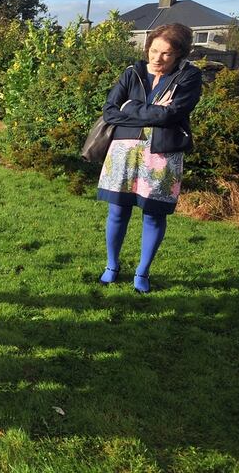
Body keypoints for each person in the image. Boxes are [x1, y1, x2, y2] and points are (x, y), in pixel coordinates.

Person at [97, 23, 202, 293]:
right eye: (153, 51)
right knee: (117, 211)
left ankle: (142, 272)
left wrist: (130, 107)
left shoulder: (189, 77)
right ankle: (111, 265)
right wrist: (152, 110)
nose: (157, 58)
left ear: (179, 54)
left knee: (154, 215)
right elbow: (110, 111)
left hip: (162, 155)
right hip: (124, 151)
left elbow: (171, 115)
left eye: (166, 54)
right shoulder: (132, 72)